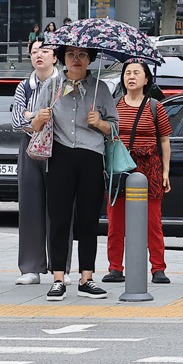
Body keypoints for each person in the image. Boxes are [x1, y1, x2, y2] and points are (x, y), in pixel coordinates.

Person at [25, 43, 115, 299]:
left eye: (82, 55)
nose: (76, 59)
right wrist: (39, 118)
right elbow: (33, 125)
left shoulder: (101, 88)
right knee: (59, 218)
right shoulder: (51, 86)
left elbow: (115, 128)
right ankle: (58, 278)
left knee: (88, 219)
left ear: (90, 59)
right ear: (63, 58)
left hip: (92, 156)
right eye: (71, 54)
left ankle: (87, 278)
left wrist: (100, 123)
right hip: (60, 155)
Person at [104, 60, 172, 284]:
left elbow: (165, 140)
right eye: (127, 73)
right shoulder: (113, 104)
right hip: (120, 167)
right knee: (115, 222)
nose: (131, 77)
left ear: (146, 79)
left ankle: (158, 268)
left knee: (153, 222)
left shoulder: (155, 106)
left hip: (149, 167)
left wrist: (165, 172)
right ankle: (115, 267)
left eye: (136, 73)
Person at [9, 40, 57, 284]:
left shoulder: (63, 83)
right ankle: (30, 268)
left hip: (58, 148)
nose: (39, 55)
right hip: (30, 147)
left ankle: (61, 267)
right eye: (35, 52)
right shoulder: (24, 86)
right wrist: (37, 117)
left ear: (55, 57)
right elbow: (17, 121)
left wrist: (31, 115)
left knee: (59, 208)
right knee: (29, 207)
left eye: (45, 51)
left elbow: (61, 117)